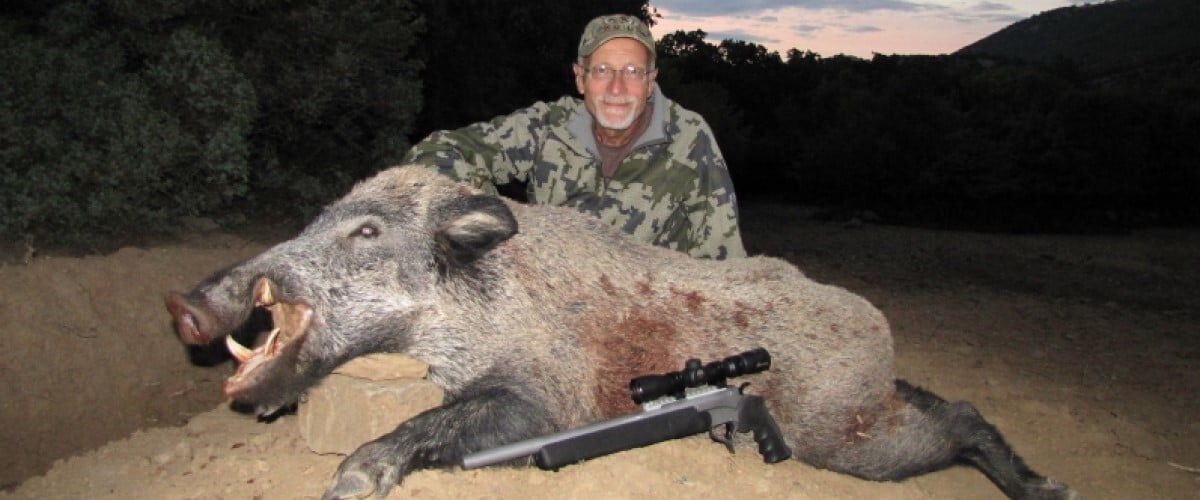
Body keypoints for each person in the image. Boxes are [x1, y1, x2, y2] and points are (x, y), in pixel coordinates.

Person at [403, 14, 745, 260]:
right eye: (602, 70)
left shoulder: (689, 138)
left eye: (631, 72)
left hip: (647, 313)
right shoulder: (546, 125)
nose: (616, 88)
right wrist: (499, 221)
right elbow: (435, 152)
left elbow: (722, 259)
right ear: (580, 79)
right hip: (553, 304)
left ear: (650, 80)